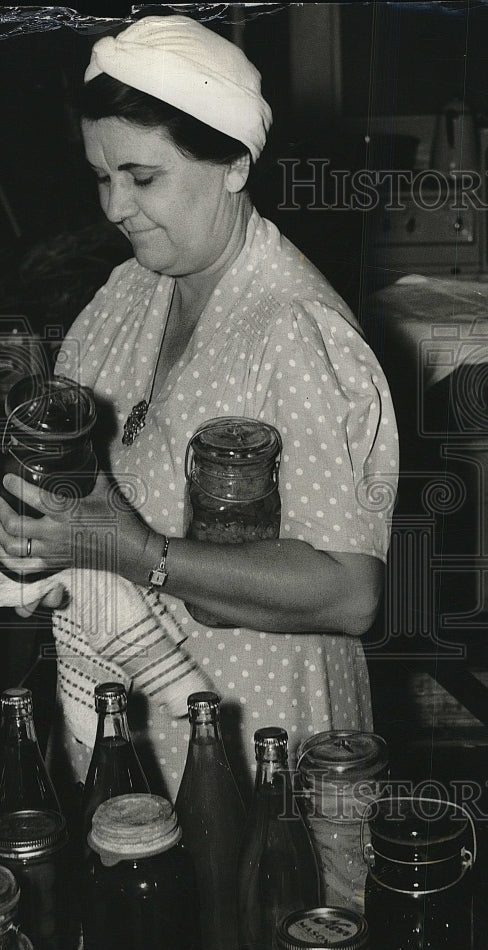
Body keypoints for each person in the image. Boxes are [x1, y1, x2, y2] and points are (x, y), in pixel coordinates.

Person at [0, 14, 398, 803]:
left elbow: (351, 594)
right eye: (101, 176)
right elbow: (80, 488)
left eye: (143, 177)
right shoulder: (126, 296)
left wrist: (136, 550)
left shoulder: (293, 328)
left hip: (260, 743)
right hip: (128, 728)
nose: (115, 206)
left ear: (234, 164)